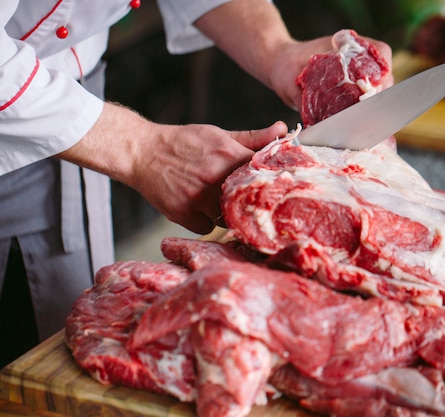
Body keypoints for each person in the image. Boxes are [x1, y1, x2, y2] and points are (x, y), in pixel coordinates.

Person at [0, 0, 393, 367]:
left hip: (67, 101)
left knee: (60, 343)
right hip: (29, 103)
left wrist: (276, 49)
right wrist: (142, 148)